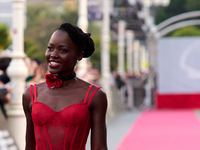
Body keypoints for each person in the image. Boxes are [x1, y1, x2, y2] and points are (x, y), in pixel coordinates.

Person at [22, 22, 108, 150]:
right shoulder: (31, 94)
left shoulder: (95, 96)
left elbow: (99, 148)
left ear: (79, 55)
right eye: (50, 48)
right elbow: (29, 146)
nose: (53, 55)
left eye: (63, 50)